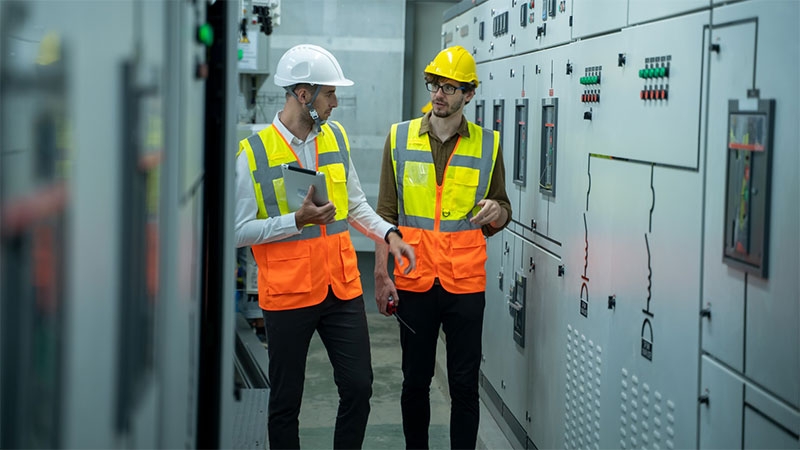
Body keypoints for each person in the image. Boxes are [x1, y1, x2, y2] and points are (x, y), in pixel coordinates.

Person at [234, 44, 416, 450]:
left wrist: (388, 233)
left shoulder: (334, 137)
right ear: (303, 94)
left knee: (359, 387)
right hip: (288, 294)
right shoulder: (253, 154)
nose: (335, 102)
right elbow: (236, 230)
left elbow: (355, 205)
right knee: (285, 404)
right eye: (329, 94)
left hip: (342, 289)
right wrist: (294, 222)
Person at [373, 45, 512, 450]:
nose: (439, 94)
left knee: (465, 386)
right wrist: (382, 276)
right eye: (435, 84)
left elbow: (503, 209)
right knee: (414, 382)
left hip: (465, 284)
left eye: (450, 88)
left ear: (469, 95)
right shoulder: (399, 138)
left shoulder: (488, 145)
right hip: (414, 281)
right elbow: (384, 216)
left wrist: (494, 212)